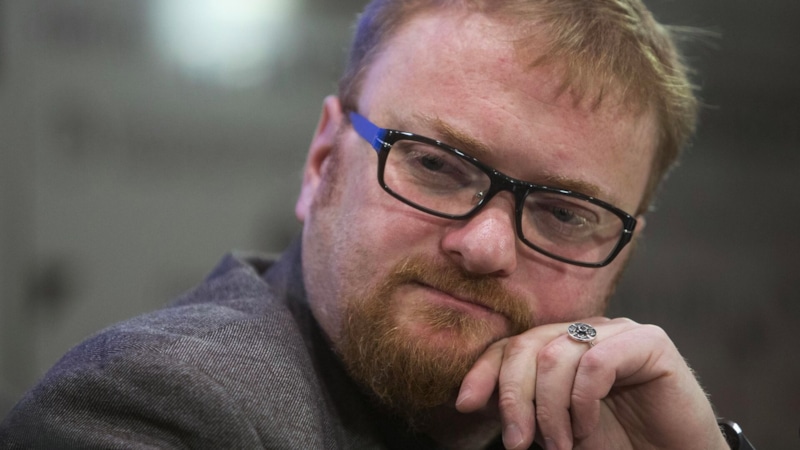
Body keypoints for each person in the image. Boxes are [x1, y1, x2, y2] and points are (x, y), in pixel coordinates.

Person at [0, 0, 754, 448]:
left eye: (564, 213)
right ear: (322, 160)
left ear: (621, 255)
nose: (485, 246)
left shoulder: (592, 434)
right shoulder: (163, 403)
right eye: (436, 165)